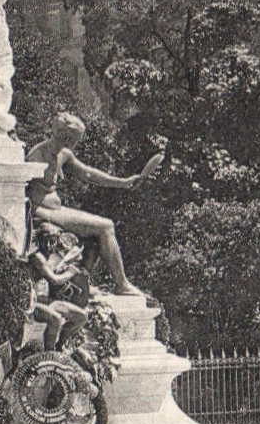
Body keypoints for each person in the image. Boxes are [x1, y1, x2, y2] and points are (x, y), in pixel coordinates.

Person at [25, 113, 163, 297]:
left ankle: (82, 282)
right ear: (65, 136)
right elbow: (24, 192)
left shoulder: (63, 154)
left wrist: (122, 183)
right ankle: (122, 284)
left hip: (56, 210)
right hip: (41, 211)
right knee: (106, 227)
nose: (75, 143)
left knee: (98, 229)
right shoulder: (37, 155)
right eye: (75, 139)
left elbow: (89, 174)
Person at [26, 231, 90, 351]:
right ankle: (49, 353)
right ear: (38, 241)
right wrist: (70, 272)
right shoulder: (37, 257)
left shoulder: (52, 256)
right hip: (30, 302)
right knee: (55, 318)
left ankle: (60, 346)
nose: (48, 245)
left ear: (56, 242)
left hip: (43, 300)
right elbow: (55, 280)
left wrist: (67, 261)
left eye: (52, 241)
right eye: (45, 241)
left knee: (81, 317)